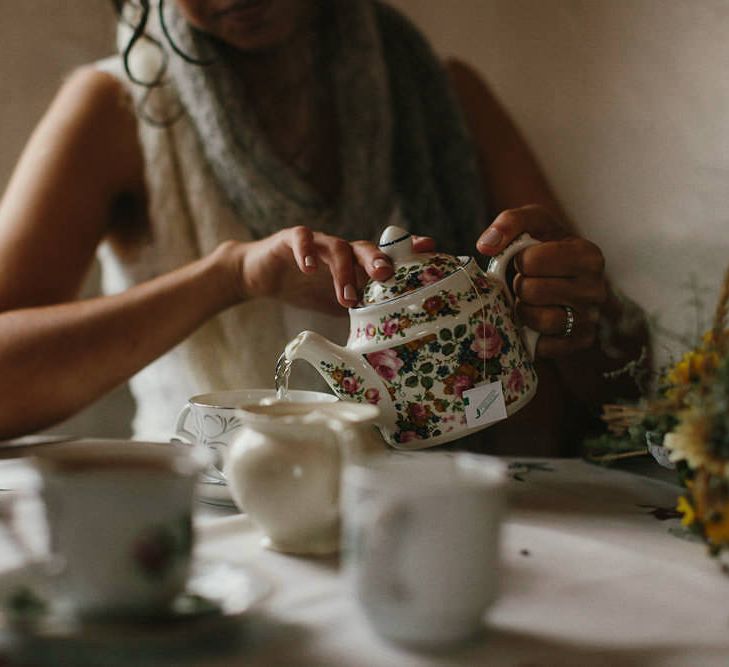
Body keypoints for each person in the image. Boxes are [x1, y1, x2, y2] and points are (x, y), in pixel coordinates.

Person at [0, 0, 647, 455]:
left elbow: (620, 379)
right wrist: (229, 276)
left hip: (442, 506)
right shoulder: (114, 110)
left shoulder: (443, 102)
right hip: (215, 525)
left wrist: (574, 314)